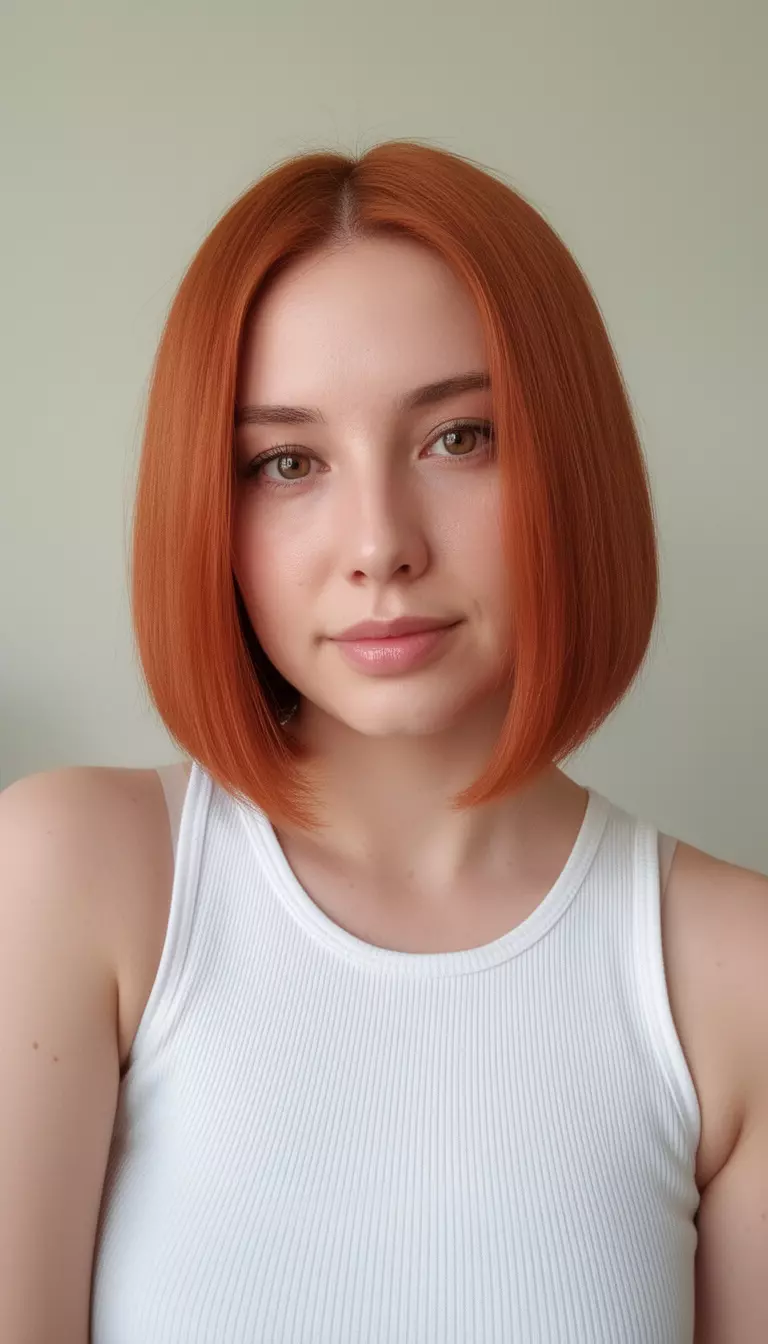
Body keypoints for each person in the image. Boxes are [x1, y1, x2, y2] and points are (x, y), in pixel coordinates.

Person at [0, 140, 765, 1344]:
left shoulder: (736, 976)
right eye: (287, 462)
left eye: (459, 437)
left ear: (572, 460)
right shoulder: (72, 877)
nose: (380, 544)